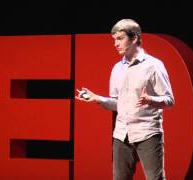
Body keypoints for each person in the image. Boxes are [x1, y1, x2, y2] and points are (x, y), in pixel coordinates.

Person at [75, 19, 174, 180]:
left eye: (120, 38)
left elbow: (169, 100)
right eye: (114, 39)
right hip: (121, 135)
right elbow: (117, 104)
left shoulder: (154, 65)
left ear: (134, 38)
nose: (115, 44)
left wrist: (151, 100)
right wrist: (98, 99)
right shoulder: (117, 68)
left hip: (147, 133)